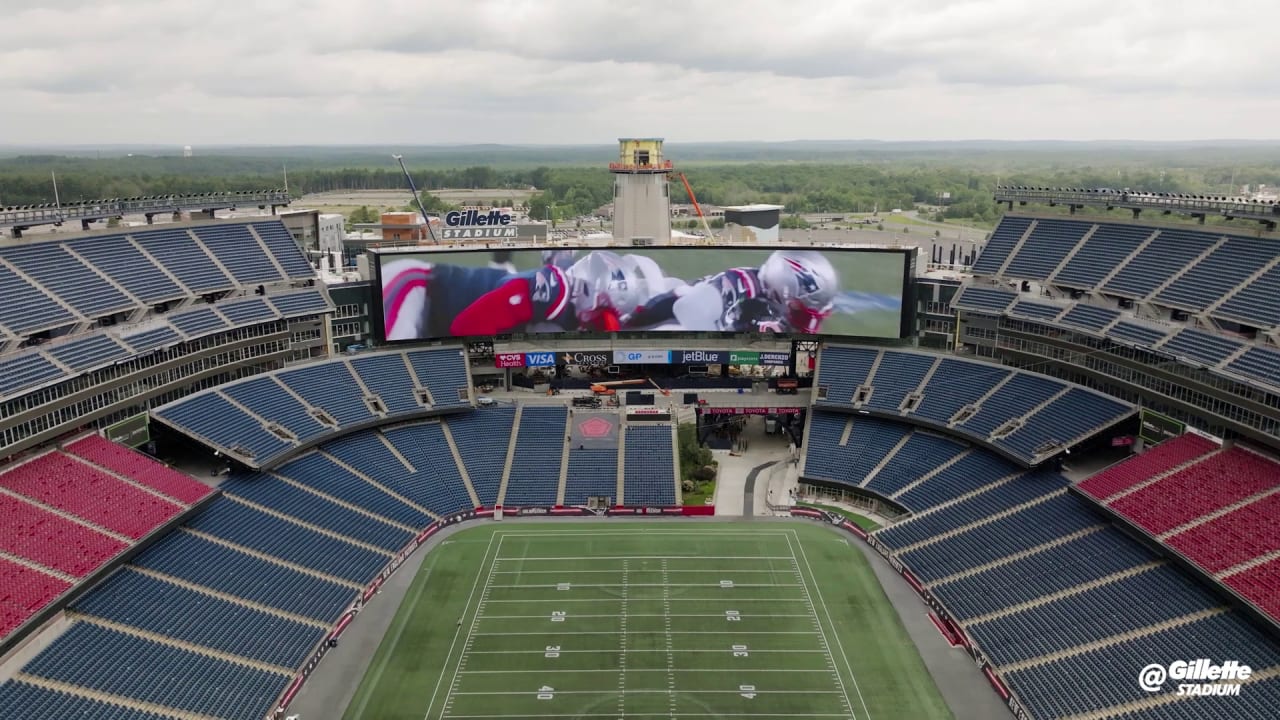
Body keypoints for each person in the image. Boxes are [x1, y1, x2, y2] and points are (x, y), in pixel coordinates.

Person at [381, 250, 666, 340]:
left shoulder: (563, 285)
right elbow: (465, 329)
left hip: (443, 308)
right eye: (600, 320)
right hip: (416, 287)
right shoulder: (553, 291)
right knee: (393, 371)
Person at [625, 250, 839, 334]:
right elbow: (687, 308)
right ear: (781, 289)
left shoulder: (772, 301)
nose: (809, 325)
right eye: (799, 310)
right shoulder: (742, 283)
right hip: (656, 316)